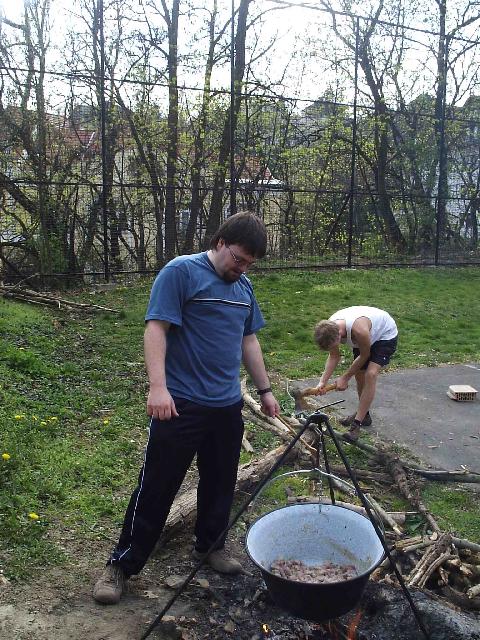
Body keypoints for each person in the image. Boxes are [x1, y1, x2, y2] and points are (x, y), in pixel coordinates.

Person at [93, 211, 280, 605]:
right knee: (157, 486)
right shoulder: (181, 272)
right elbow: (156, 328)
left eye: (250, 264)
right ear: (220, 242)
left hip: (226, 406)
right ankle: (122, 564)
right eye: (239, 259)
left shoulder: (243, 287)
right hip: (179, 405)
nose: (243, 269)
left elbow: (248, 340)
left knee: (220, 483)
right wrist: (158, 388)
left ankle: (210, 546)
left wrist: (264, 390)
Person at [313, 306, 398, 442]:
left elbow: (365, 355)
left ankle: (356, 424)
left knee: (370, 374)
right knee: (359, 374)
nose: (335, 347)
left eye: (334, 344)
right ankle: (365, 415)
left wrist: (345, 377)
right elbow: (334, 356)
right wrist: (322, 382)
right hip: (364, 338)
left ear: (339, 334)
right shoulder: (328, 329)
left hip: (384, 334)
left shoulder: (359, 330)